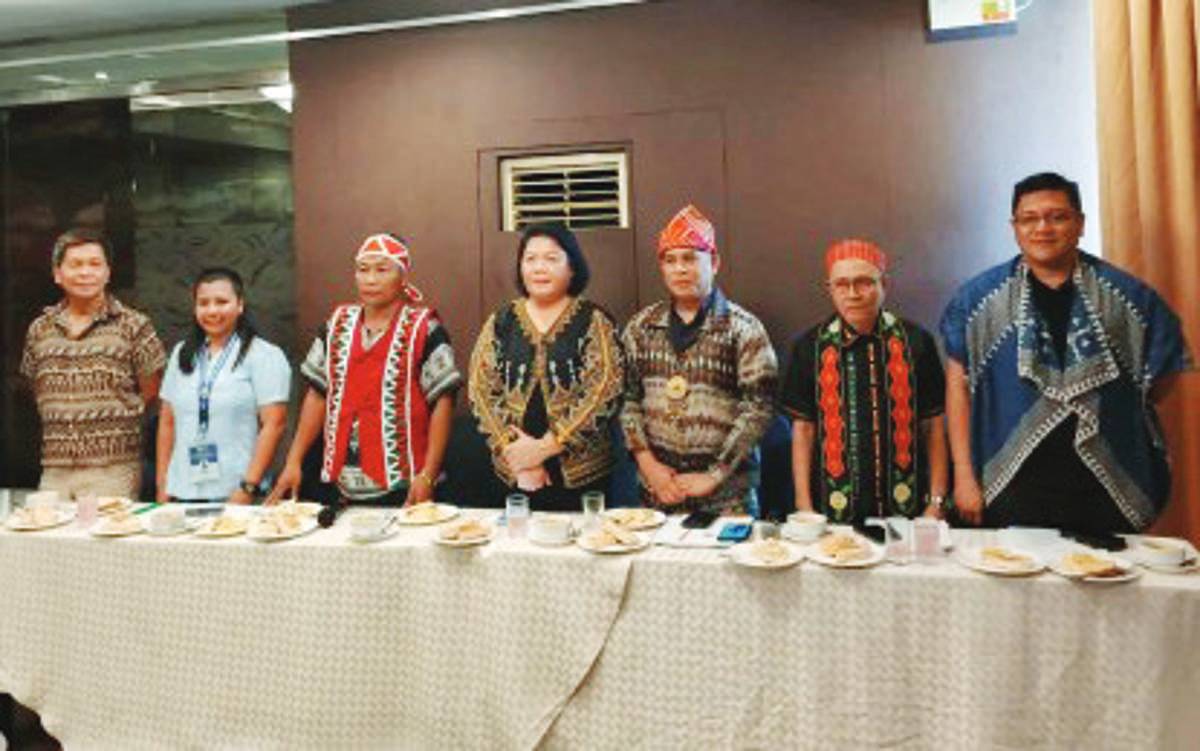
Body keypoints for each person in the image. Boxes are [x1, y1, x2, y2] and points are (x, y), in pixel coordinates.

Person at [940, 172, 1192, 533]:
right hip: (1008, 480)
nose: (1043, 228)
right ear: (1015, 227)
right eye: (1029, 219)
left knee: (1108, 567)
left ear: (1080, 223)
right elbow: (957, 389)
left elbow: (1161, 381)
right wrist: (963, 475)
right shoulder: (978, 301)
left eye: (1057, 217)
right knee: (1014, 567)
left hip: (1107, 482)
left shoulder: (1129, 298)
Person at [268, 233, 461, 506]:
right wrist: (293, 461)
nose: (370, 279)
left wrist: (428, 475)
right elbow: (317, 394)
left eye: (382, 270)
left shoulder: (424, 329)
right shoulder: (336, 325)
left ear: (403, 276)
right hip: (342, 486)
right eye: (363, 269)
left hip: (407, 485)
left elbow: (443, 402)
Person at [621, 204, 778, 515]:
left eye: (690, 258)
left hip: (728, 500)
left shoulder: (744, 329)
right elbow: (627, 399)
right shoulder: (640, 328)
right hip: (659, 492)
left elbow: (759, 409)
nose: (680, 269)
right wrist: (648, 465)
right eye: (670, 260)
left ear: (714, 262)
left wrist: (715, 475)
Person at [779, 239, 948, 524]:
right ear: (830, 289)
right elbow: (803, 431)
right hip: (831, 511)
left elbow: (933, 426)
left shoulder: (916, 342)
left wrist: (936, 502)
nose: (853, 294)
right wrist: (803, 506)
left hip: (908, 510)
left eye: (864, 282)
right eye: (842, 285)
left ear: (884, 284)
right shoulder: (810, 347)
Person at [468, 224, 624, 511]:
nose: (539, 268)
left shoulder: (594, 320)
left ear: (572, 268)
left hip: (584, 478)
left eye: (551, 259)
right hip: (516, 475)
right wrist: (519, 456)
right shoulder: (501, 321)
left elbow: (604, 390)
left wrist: (543, 449)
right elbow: (480, 390)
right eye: (530, 259)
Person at [19, 228, 166, 499]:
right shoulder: (40, 329)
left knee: (104, 526)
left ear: (108, 273)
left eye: (95, 264)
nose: (85, 272)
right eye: (75, 264)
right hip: (55, 468)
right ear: (57, 274)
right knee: (50, 527)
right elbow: (35, 387)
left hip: (113, 468)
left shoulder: (134, 325)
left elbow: (153, 391)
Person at [155, 268, 291, 504]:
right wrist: (162, 483)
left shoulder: (263, 354)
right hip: (181, 490)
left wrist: (248, 487)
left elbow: (274, 424)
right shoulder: (182, 353)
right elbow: (167, 422)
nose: (212, 311)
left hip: (235, 491)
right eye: (203, 303)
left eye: (221, 302)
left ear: (240, 305)